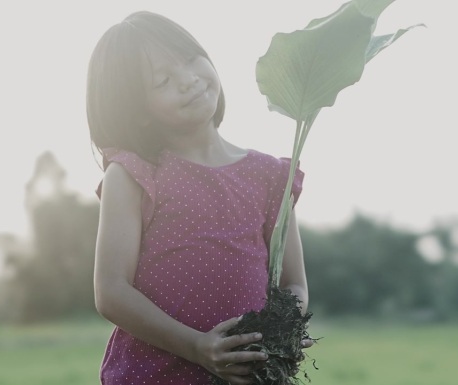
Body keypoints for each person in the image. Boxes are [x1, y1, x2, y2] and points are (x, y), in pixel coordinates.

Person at [87, 11, 310, 385]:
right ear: (138, 111)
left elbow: (295, 285)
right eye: (163, 80)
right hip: (155, 376)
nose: (188, 80)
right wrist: (197, 347)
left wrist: (277, 343)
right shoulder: (134, 174)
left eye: (189, 61)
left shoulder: (271, 175)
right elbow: (111, 291)